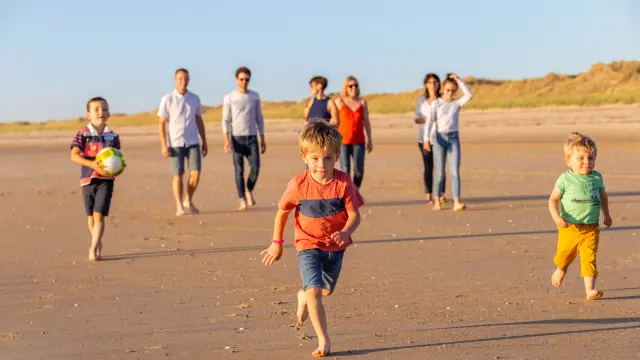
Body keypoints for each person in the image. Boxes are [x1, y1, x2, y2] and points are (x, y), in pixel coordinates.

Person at [260, 122, 364, 357]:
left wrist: (346, 232)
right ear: (304, 157)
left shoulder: (344, 182)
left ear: (337, 156)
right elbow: (282, 212)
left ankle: (302, 295)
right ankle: (323, 340)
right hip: (307, 245)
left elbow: (355, 215)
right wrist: (276, 244)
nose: (321, 165)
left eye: (328, 158)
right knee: (315, 292)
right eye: (315, 158)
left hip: (336, 247)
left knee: (325, 291)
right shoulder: (298, 185)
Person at [549, 132, 612, 300]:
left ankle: (590, 290)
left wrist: (607, 214)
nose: (587, 162)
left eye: (591, 158)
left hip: (591, 228)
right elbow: (552, 200)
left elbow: (603, 196)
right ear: (568, 160)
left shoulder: (597, 178)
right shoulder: (565, 179)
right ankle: (561, 268)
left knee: (589, 258)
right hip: (569, 226)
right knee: (564, 255)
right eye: (581, 158)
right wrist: (557, 218)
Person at [70, 97, 121, 261]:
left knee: (99, 215)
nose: (101, 112)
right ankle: (97, 241)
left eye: (104, 109)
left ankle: (93, 248)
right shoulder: (83, 134)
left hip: (106, 180)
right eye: (97, 109)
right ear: (88, 114)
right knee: (91, 217)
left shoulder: (113, 137)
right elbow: (74, 156)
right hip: (87, 180)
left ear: (109, 113)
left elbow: (117, 159)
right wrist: (93, 165)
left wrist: (117, 169)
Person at [157, 68, 208, 216]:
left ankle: (188, 199)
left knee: (196, 173)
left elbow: (199, 120)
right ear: (175, 80)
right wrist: (163, 144)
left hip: (192, 141)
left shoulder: (194, 99)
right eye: (180, 79)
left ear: (189, 80)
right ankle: (179, 205)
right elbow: (161, 122)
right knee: (178, 174)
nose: (183, 82)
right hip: (175, 143)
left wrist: (204, 141)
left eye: (185, 79)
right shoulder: (167, 99)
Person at [423, 73, 472, 211]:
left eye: (453, 90)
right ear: (443, 88)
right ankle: (437, 200)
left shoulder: (456, 103)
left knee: (455, 171)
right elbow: (429, 122)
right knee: (439, 173)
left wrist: (458, 80)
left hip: (453, 139)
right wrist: (426, 139)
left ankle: (457, 201)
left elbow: (469, 95)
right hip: (439, 139)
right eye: (448, 90)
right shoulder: (436, 104)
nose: (450, 93)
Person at [222, 66, 267, 211]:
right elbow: (225, 119)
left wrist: (262, 137)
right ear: (236, 80)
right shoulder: (229, 97)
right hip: (236, 138)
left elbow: (259, 117)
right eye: (241, 79)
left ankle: (249, 189)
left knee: (255, 167)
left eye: (247, 79)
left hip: (252, 137)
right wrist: (226, 140)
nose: (244, 82)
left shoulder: (254, 96)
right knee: (238, 170)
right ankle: (242, 198)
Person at [335, 75, 373, 189]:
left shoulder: (362, 102)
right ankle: (346, 195)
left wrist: (370, 140)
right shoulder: (339, 102)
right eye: (350, 86)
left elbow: (366, 121)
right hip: (343, 141)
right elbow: (333, 120)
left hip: (359, 140)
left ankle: (354, 192)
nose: (353, 88)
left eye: (356, 85)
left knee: (359, 171)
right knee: (345, 169)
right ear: (345, 88)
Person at [414, 73, 446, 204]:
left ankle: (441, 193)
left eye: (435, 82)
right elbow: (417, 119)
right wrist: (429, 119)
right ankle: (429, 193)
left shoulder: (444, 99)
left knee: (441, 167)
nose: (433, 85)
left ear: (439, 84)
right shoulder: (421, 101)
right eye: (430, 82)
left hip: (440, 137)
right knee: (428, 167)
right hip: (424, 138)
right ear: (426, 84)